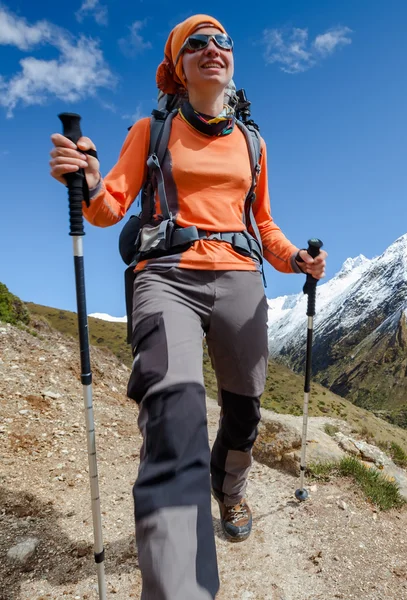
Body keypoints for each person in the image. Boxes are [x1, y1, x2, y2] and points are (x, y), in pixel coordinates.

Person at [49, 13, 327, 600]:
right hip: (165, 277)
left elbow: (264, 224)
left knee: (245, 410)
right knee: (175, 419)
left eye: (221, 41)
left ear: (232, 58)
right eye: (195, 44)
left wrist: (294, 260)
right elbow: (108, 208)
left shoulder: (253, 142)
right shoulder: (149, 130)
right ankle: (182, 590)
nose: (211, 49)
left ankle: (230, 487)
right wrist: (91, 183)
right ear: (178, 67)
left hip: (240, 278)